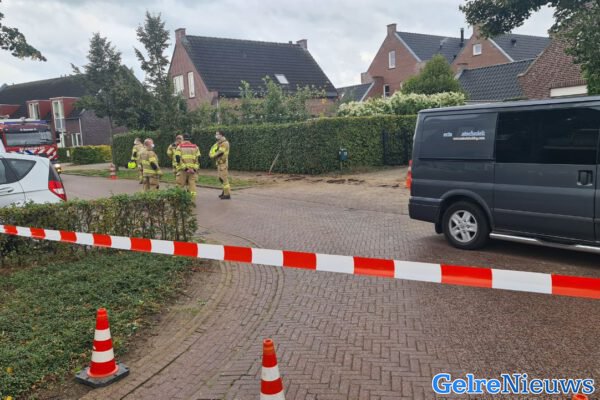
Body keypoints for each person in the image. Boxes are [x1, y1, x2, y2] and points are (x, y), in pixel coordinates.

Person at [209, 130, 230, 200]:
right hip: (220, 163)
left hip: (223, 163)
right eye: (216, 134)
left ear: (221, 135)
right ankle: (224, 192)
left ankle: (227, 194)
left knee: (224, 179)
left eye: (217, 134)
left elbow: (220, 152)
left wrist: (212, 155)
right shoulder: (219, 143)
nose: (216, 135)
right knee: (220, 178)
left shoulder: (224, 143)